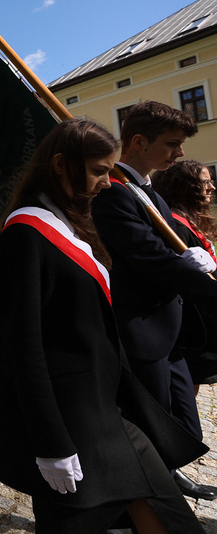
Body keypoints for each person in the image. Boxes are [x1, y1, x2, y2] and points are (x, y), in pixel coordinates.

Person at [0, 117, 205, 533]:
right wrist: (50, 442)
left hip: (109, 411)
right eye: (98, 170)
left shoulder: (74, 223)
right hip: (71, 424)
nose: (107, 182)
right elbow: (21, 349)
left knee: (173, 520)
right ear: (59, 164)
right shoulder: (25, 235)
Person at [91, 100, 217, 500]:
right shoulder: (113, 193)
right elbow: (149, 256)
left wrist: (192, 259)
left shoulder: (149, 193)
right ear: (139, 142)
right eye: (172, 144)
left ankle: (165, 475)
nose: (179, 152)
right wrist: (199, 277)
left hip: (171, 332)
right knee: (150, 421)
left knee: (185, 427)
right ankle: (145, 498)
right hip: (142, 329)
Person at [151, 159, 217, 388]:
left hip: (204, 316)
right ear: (184, 186)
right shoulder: (175, 226)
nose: (212, 187)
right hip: (192, 325)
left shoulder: (188, 218)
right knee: (190, 383)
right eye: (205, 182)